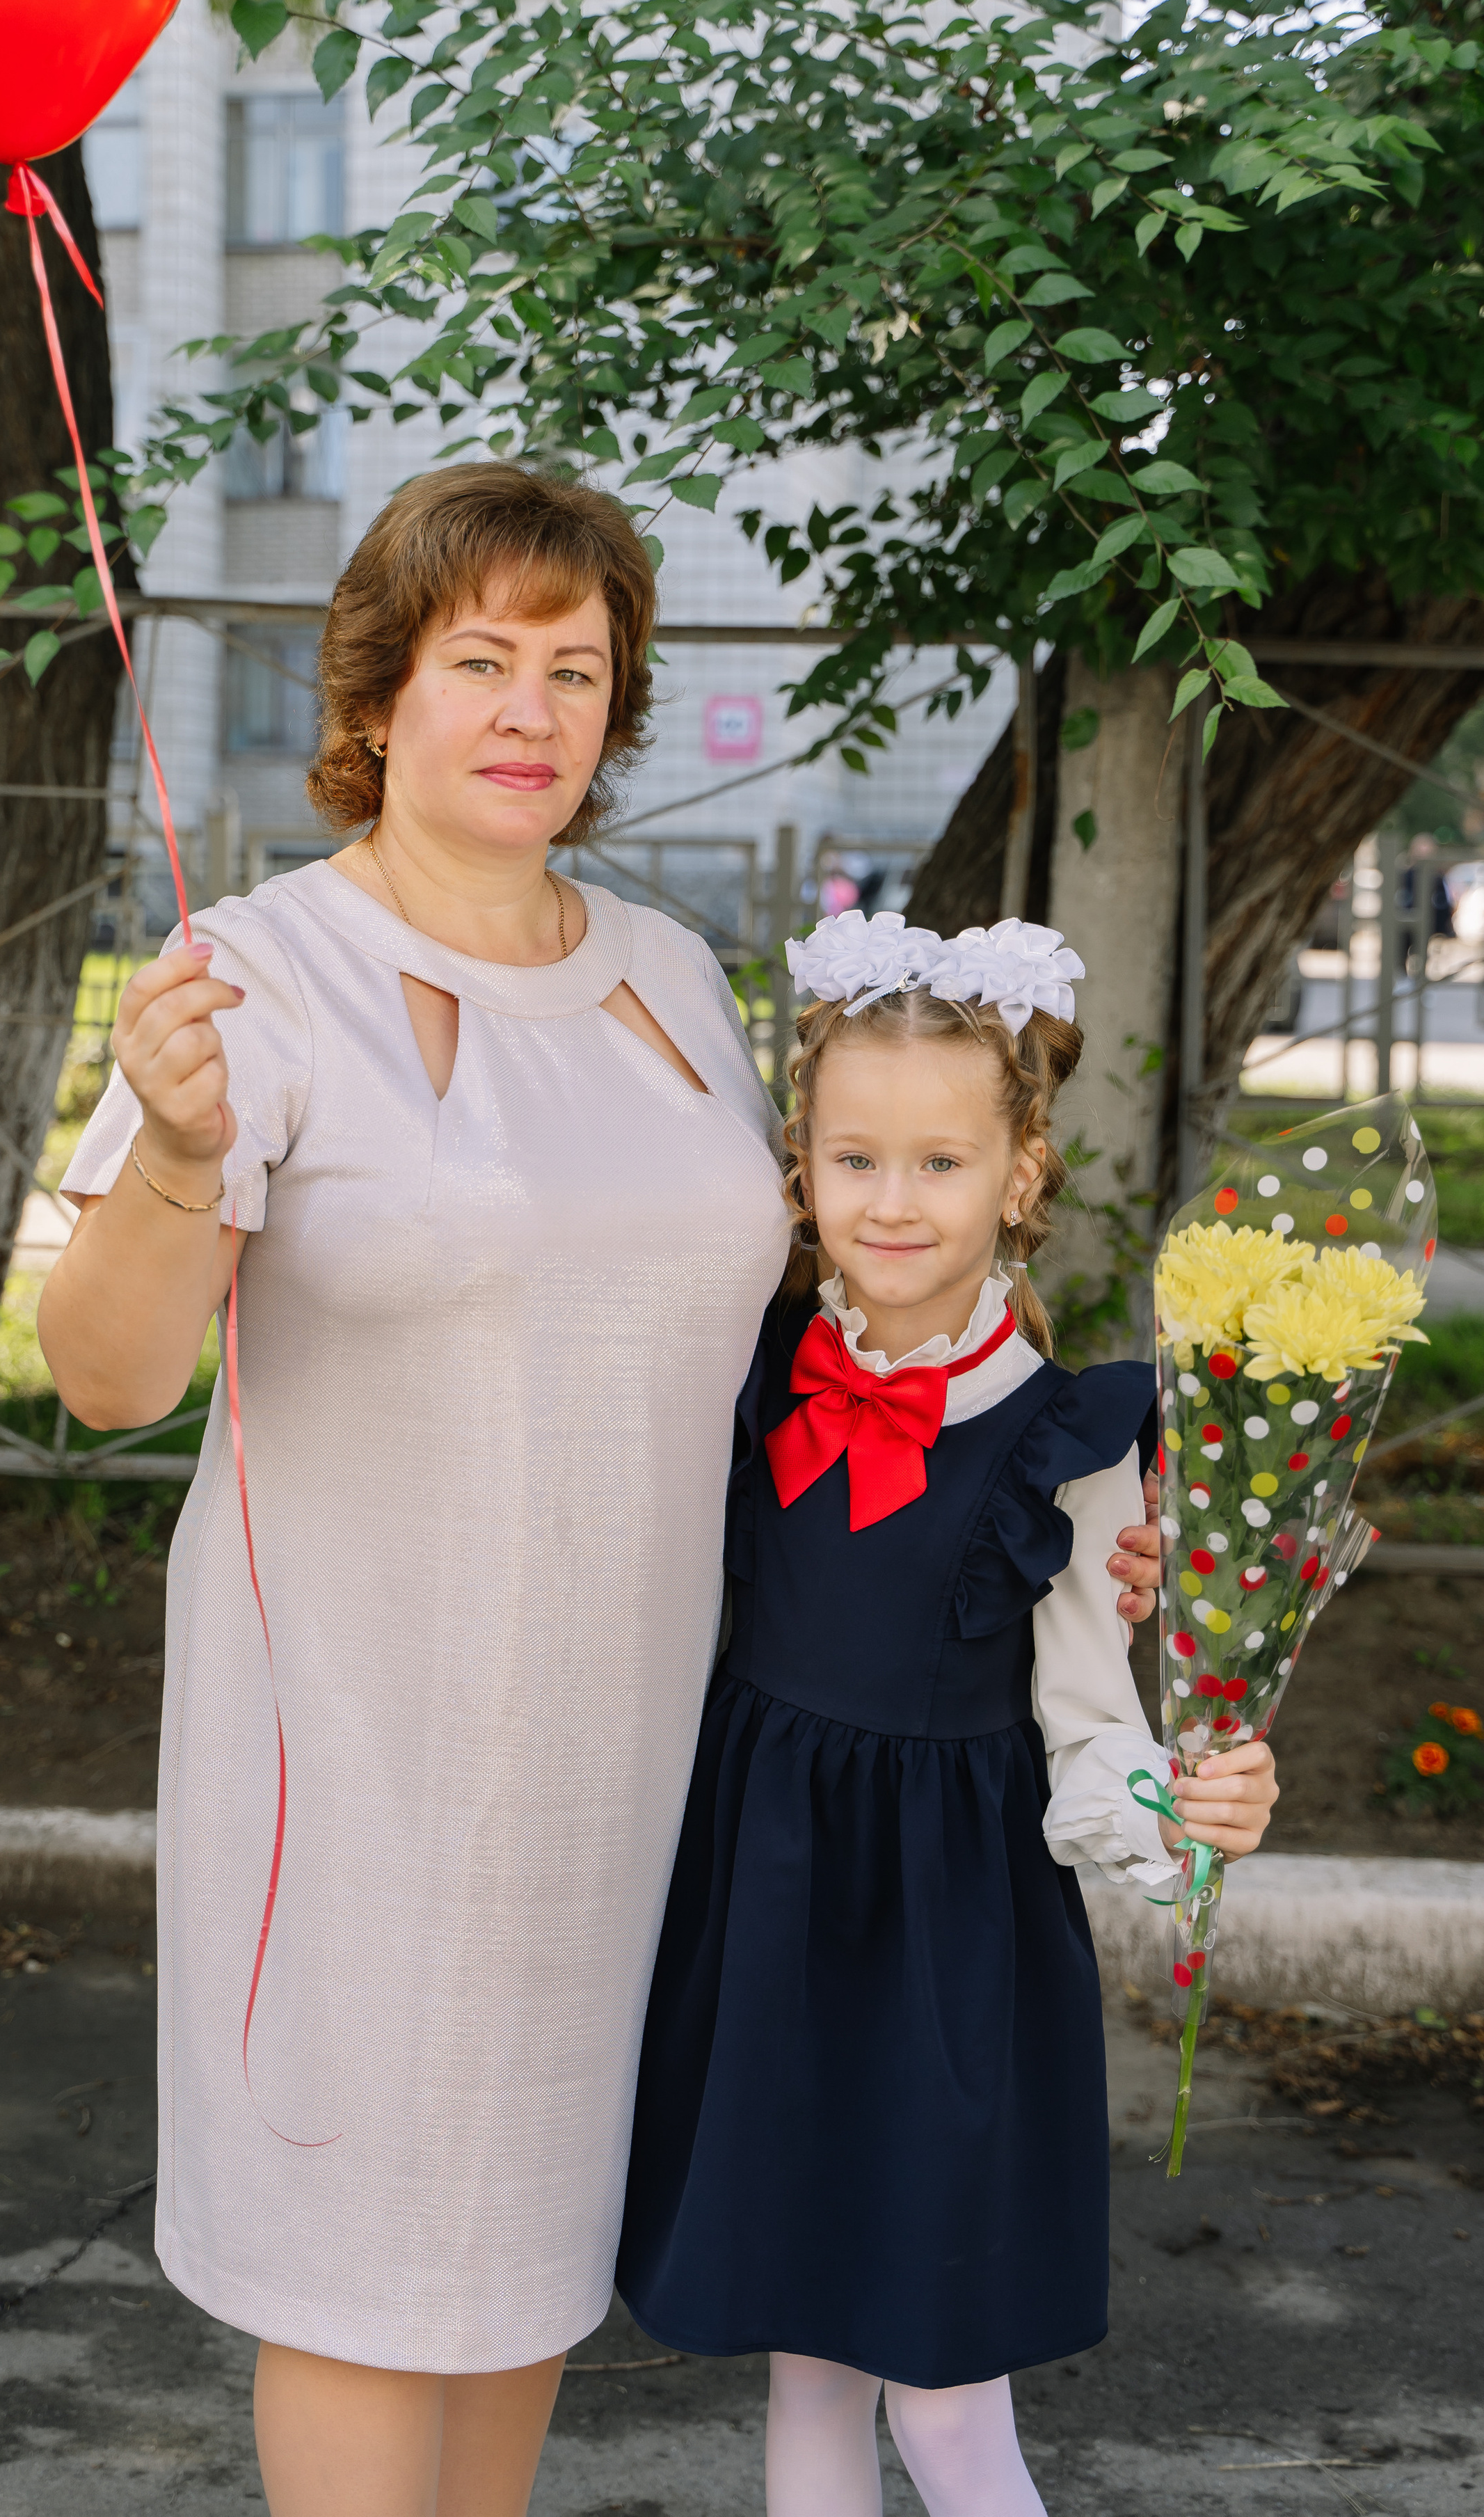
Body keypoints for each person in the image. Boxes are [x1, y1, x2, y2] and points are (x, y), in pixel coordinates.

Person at [35, 463, 1165, 2517]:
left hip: (640, 1773)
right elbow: (107, 1382)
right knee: (367, 2280)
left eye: (575, 668)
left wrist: (1051, 1536)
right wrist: (180, 1158)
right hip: (355, 1767)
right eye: (480, 658)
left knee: (520, 2274)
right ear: (380, 692)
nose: (529, 708)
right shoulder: (255, 977)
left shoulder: (670, 975)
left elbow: (804, 1365)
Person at [615, 914, 1279, 2517]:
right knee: (803, 2376)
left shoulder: (1069, 1443)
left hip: (942, 1964)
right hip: (764, 1929)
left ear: (1018, 1175)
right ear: (799, 1168)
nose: (892, 1202)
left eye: (938, 1162)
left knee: (945, 2405)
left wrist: (1183, 1817)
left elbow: (1087, 1720)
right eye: (853, 1159)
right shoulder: (747, 1371)